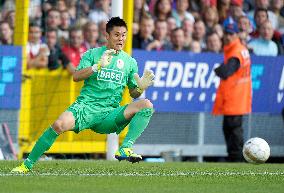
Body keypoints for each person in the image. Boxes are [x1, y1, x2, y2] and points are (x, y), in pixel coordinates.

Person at [11, 17, 155, 173]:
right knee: (58, 125)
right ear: (107, 36)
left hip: (109, 115)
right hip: (85, 108)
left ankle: (125, 148)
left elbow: (133, 92)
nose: (121, 39)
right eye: (117, 35)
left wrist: (140, 88)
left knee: (146, 104)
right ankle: (26, 165)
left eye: (124, 35)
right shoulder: (92, 54)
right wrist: (97, 67)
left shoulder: (130, 62)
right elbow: (76, 76)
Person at [212, 22, 252, 162]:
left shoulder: (235, 52)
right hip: (237, 97)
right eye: (227, 33)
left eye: (231, 34)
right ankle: (236, 157)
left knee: (233, 130)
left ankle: (236, 158)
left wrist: (218, 69)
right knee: (230, 129)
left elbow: (226, 71)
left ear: (236, 35)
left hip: (235, 98)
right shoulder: (239, 50)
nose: (228, 37)